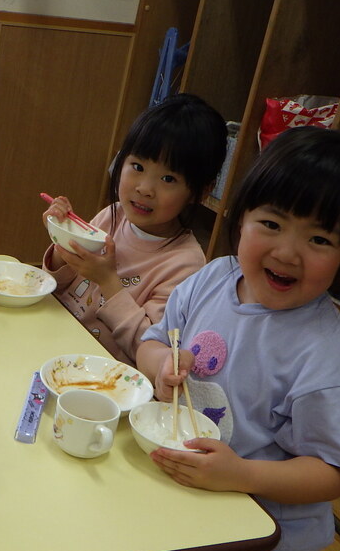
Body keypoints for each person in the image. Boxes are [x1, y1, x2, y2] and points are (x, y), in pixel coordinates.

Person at [68, 126, 340, 551]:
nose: (287, 252)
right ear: (239, 218)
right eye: (271, 223)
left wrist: (239, 473)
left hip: (264, 534)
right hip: (182, 484)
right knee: (82, 531)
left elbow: (332, 475)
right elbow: (157, 338)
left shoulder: (330, 361)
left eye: (318, 238)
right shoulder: (213, 278)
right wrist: (161, 365)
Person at [41, 93, 227, 365]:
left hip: (107, 379)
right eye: (137, 166)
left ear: (200, 191)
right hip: (55, 346)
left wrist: (108, 282)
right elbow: (57, 288)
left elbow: (150, 348)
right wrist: (63, 238)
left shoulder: (186, 266)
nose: (144, 188)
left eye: (168, 178)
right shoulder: (111, 216)